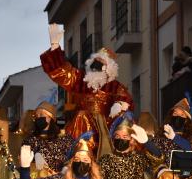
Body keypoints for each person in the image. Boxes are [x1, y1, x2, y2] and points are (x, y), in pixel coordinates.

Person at [40, 23, 133, 156]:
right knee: (81, 116)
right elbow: (63, 73)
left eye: (101, 63)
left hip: (106, 125)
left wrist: (119, 104)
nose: (96, 66)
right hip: (81, 125)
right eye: (95, 62)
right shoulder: (81, 81)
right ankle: (78, 153)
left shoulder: (114, 86)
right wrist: (55, 46)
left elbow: (125, 97)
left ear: (109, 68)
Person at [99, 112, 167, 179]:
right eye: (118, 136)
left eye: (125, 137)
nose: (121, 139)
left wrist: (147, 143)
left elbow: (159, 158)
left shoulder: (139, 157)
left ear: (131, 139)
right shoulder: (105, 159)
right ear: (113, 139)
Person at [22, 100, 74, 177]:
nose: (39, 117)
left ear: (51, 117)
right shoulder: (30, 140)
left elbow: (71, 160)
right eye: (37, 116)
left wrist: (62, 172)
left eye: (41, 114)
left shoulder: (64, 139)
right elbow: (26, 163)